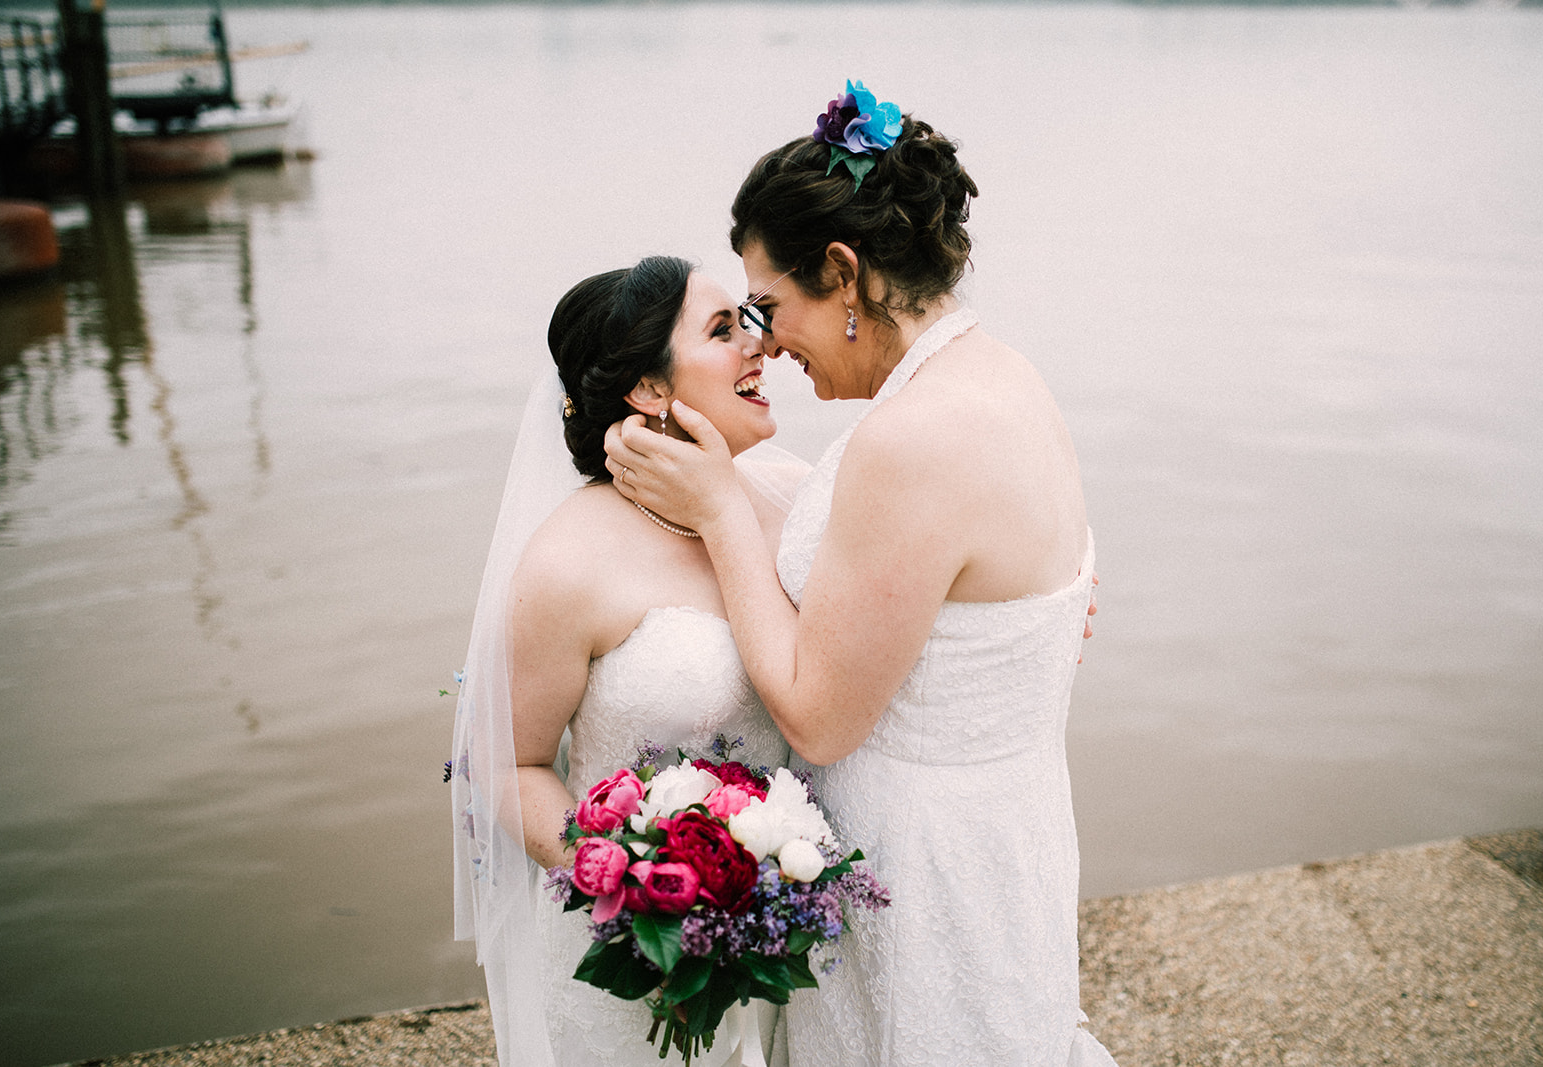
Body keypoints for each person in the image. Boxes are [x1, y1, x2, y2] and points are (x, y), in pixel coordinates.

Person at [604, 82, 1114, 1066]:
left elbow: (820, 716)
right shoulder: (1002, 374)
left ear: (841, 272)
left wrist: (717, 512)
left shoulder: (910, 437)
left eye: (769, 304)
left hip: (921, 878)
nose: (761, 339)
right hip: (1004, 830)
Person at [449, 255, 807, 1067]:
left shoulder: (797, 496)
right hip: (635, 964)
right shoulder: (568, 563)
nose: (760, 345)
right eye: (723, 330)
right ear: (648, 388)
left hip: (792, 933)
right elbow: (511, 764)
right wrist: (636, 883)